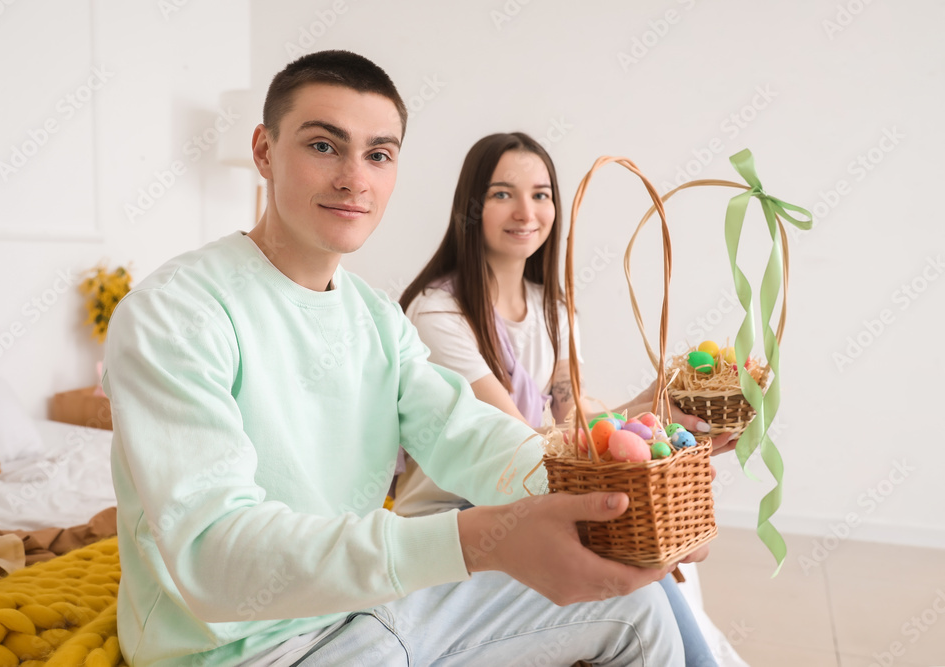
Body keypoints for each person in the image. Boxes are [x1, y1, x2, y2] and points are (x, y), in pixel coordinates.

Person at [103, 50, 688, 666]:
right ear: (264, 151)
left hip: (367, 609)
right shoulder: (173, 313)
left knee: (638, 608)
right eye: (324, 146)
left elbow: (469, 434)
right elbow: (212, 554)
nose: (355, 178)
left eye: (378, 154)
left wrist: (616, 490)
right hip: (245, 652)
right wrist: (475, 542)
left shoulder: (376, 317)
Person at [393, 132, 726, 666]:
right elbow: (515, 443)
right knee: (635, 566)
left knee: (658, 554)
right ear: (472, 207)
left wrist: (654, 410)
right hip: (464, 505)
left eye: (542, 194)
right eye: (503, 194)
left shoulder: (554, 307)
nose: (527, 211)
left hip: (534, 484)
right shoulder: (439, 315)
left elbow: (575, 414)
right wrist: (631, 432)